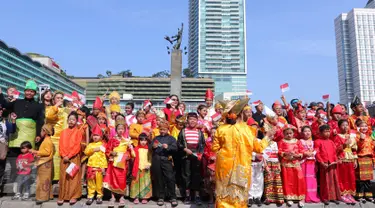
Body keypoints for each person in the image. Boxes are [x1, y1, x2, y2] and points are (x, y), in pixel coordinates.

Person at [212, 98, 273, 208]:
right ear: (240, 113)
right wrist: (268, 137)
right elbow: (258, 148)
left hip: (224, 166)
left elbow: (215, 148)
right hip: (242, 166)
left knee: (223, 192)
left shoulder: (221, 129)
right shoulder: (248, 130)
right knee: (239, 193)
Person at [0, 80, 44, 161]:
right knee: (13, 162)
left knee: (27, 163)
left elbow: (40, 121)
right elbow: (5, 105)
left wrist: (38, 134)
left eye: (32, 91)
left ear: (35, 93)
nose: (29, 93)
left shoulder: (39, 106)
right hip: (15, 136)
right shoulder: (17, 102)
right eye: (27, 91)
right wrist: (1, 94)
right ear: (24, 91)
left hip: (29, 137)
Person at [103, 119, 135, 208]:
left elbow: (130, 153)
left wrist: (127, 155)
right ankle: (112, 197)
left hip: (122, 163)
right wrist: (111, 153)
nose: (120, 130)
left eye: (122, 129)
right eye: (119, 129)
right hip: (113, 162)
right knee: (112, 179)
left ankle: (121, 197)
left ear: (125, 130)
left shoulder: (127, 141)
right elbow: (107, 150)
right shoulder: (112, 140)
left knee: (122, 179)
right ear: (116, 130)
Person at [177, 112, 206, 205]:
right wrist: (185, 149)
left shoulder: (199, 132)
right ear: (187, 120)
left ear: (197, 121)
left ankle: (197, 196)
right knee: (186, 175)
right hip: (186, 155)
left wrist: (200, 154)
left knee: (196, 175)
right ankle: (187, 195)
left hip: (197, 156)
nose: (192, 121)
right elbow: (179, 143)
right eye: (190, 119)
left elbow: (203, 144)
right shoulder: (183, 131)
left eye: (194, 119)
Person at [150, 120, 178, 207]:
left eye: (164, 129)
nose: (162, 131)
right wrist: (153, 146)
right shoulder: (156, 138)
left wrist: (168, 147)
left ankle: (173, 197)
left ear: (168, 130)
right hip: (156, 159)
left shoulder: (171, 138)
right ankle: (160, 197)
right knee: (159, 179)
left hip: (167, 159)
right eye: (161, 129)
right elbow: (150, 146)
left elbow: (175, 148)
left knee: (170, 178)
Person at [57, 111, 83, 206]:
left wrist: (70, 155)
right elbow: (60, 145)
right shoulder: (63, 132)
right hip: (64, 158)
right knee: (63, 176)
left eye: (73, 119)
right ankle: (62, 196)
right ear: (67, 120)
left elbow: (77, 146)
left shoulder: (78, 132)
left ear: (76, 121)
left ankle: (73, 196)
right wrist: (64, 155)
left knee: (73, 177)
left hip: (74, 157)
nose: (71, 121)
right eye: (70, 119)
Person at [278, 126, 306, 207]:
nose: (289, 135)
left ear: (293, 133)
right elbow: (279, 151)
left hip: (296, 162)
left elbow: (302, 151)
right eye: (287, 134)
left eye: (290, 133)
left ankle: (300, 198)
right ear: (283, 134)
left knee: (299, 179)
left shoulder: (297, 141)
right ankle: (289, 197)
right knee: (287, 180)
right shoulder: (281, 141)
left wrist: (298, 155)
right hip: (286, 164)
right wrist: (285, 154)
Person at [314, 124, 341, 205]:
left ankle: (333, 197)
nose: (328, 133)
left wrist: (336, 160)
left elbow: (334, 153)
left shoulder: (331, 142)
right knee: (325, 182)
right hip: (324, 164)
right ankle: (325, 197)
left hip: (332, 163)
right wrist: (321, 162)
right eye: (325, 132)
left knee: (333, 181)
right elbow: (317, 153)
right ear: (321, 133)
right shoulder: (317, 141)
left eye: (329, 131)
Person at [45, 91, 68, 181]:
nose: (60, 100)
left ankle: (59, 179)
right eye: (57, 98)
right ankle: (50, 179)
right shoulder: (50, 108)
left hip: (62, 138)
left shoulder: (65, 109)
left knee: (60, 159)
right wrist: (56, 106)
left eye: (61, 98)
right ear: (53, 100)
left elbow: (70, 121)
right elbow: (48, 116)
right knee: (52, 159)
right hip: (52, 137)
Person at [334, 120, 357, 205]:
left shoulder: (351, 136)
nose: (345, 127)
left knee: (350, 177)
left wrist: (355, 160)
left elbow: (354, 149)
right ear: (339, 127)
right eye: (343, 125)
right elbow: (335, 149)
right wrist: (344, 144)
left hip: (350, 159)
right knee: (343, 177)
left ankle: (350, 194)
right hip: (342, 159)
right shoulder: (337, 136)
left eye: (347, 125)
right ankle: (343, 194)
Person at [84, 125, 108, 205]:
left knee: (99, 183)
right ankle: (90, 196)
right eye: (94, 135)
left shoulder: (103, 145)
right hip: (91, 167)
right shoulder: (90, 145)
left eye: (97, 135)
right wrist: (94, 149)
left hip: (99, 169)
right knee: (91, 183)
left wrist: (104, 167)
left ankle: (99, 196)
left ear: (100, 136)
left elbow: (104, 157)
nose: (95, 137)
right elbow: (86, 152)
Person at [31, 124, 54, 205]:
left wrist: (35, 151)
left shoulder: (47, 141)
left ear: (45, 131)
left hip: (45, 163)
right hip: (44, 162)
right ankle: (48, 196)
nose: (40, 132)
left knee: (43, 181)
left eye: (41, 130)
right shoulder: (46, 140)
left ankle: (43, 197)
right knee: (44, 180)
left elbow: (47, 152)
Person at [355, 119, 375, 203]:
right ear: (358, 127)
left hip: (369, 159)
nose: (364, 127)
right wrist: (361, 140)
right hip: (361, 159)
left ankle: (368, 195)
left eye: (365, 126)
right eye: (362, 126)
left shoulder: (370, 137)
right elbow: (356, 148)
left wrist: (373, 161)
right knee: (360, 179)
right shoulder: (357, 136)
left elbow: (372, 150)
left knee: (368, 179)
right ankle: (360, 195)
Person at [130, 133, 152, 205]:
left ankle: (144, 197)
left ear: (147, 141)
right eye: (141, 140)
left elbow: (150, 158)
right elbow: (133, 156)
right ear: (139, 141)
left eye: (145, 140)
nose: (143, 142)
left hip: (145, 168)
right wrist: (131, 149)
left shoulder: (148, 149)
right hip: (137, 168)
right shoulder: (136, 148)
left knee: (145, 183)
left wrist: (149, 164)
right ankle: (136, 197)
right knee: (136, 183)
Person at [300, 126, 320, 203]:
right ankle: (304, 196)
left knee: (312, 179)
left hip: (312, 163)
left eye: (309, 131)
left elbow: (317, 149)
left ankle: (312, 195)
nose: (307, 133)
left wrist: (313, 152)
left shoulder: (313, 142)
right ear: (302, 133)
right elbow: (299, 149)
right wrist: (306, 153)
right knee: (304, 179)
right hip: (304, 162)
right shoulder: (300, 141)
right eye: (305, 131)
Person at [0, 105, 16, 192]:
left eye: (1, 110)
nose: (1, 111)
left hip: (2, 145)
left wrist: (13, 120)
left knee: (1, 167)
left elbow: (12, 130)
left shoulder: (4, 121)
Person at [203, 127, 217, 205]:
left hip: (220, 164)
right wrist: (210, 156)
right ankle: (211, 198)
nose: (213, 135)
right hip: (210, 164)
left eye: (215, 133)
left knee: (218, 183)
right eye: (211, 133)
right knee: (210, 182)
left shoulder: (222, 144)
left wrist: (217, 157)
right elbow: (205, 152)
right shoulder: (208, 143)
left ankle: (218, 198)